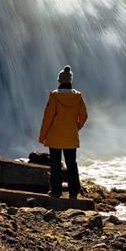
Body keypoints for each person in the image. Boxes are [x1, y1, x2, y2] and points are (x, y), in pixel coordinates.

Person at [38, 65, 88, 198]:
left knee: (55, 165)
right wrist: (76, 127)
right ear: (70, 81)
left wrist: (42, 136)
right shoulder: (77, 97)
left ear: (59, 81)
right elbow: (84, 116)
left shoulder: (54, 97)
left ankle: (56, 192)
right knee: (72, 164)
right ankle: (74, 192)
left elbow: (47, 118)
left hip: (54, 137)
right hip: (71, 136)